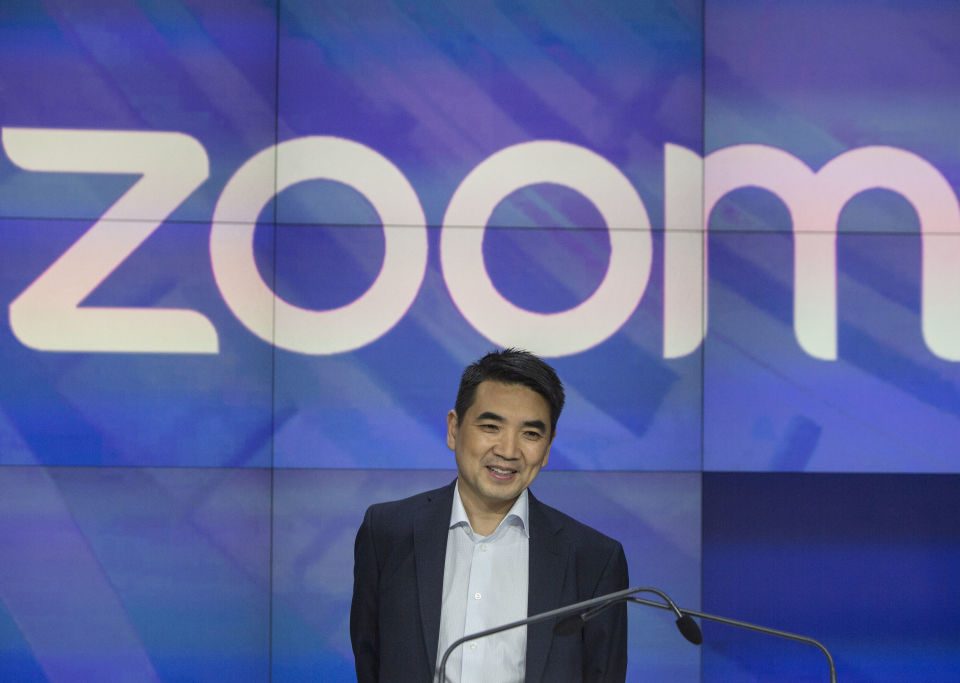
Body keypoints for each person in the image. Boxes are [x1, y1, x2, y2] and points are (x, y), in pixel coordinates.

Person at [350, 349, 628, 682]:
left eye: (531, 434)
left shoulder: (593, 560)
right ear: (454, 429)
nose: (508, 451)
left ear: (549, 446)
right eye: (491, 426)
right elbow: (369, 660)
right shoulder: (388, 532)